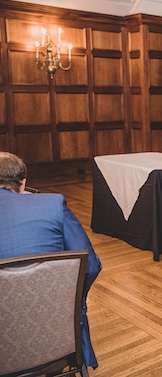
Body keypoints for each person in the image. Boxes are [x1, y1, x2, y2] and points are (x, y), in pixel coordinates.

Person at [0, 152, 102, 369]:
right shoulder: (52, 204)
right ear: (24, 183)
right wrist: (68, 303)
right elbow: (91, 265)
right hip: (57, 338)